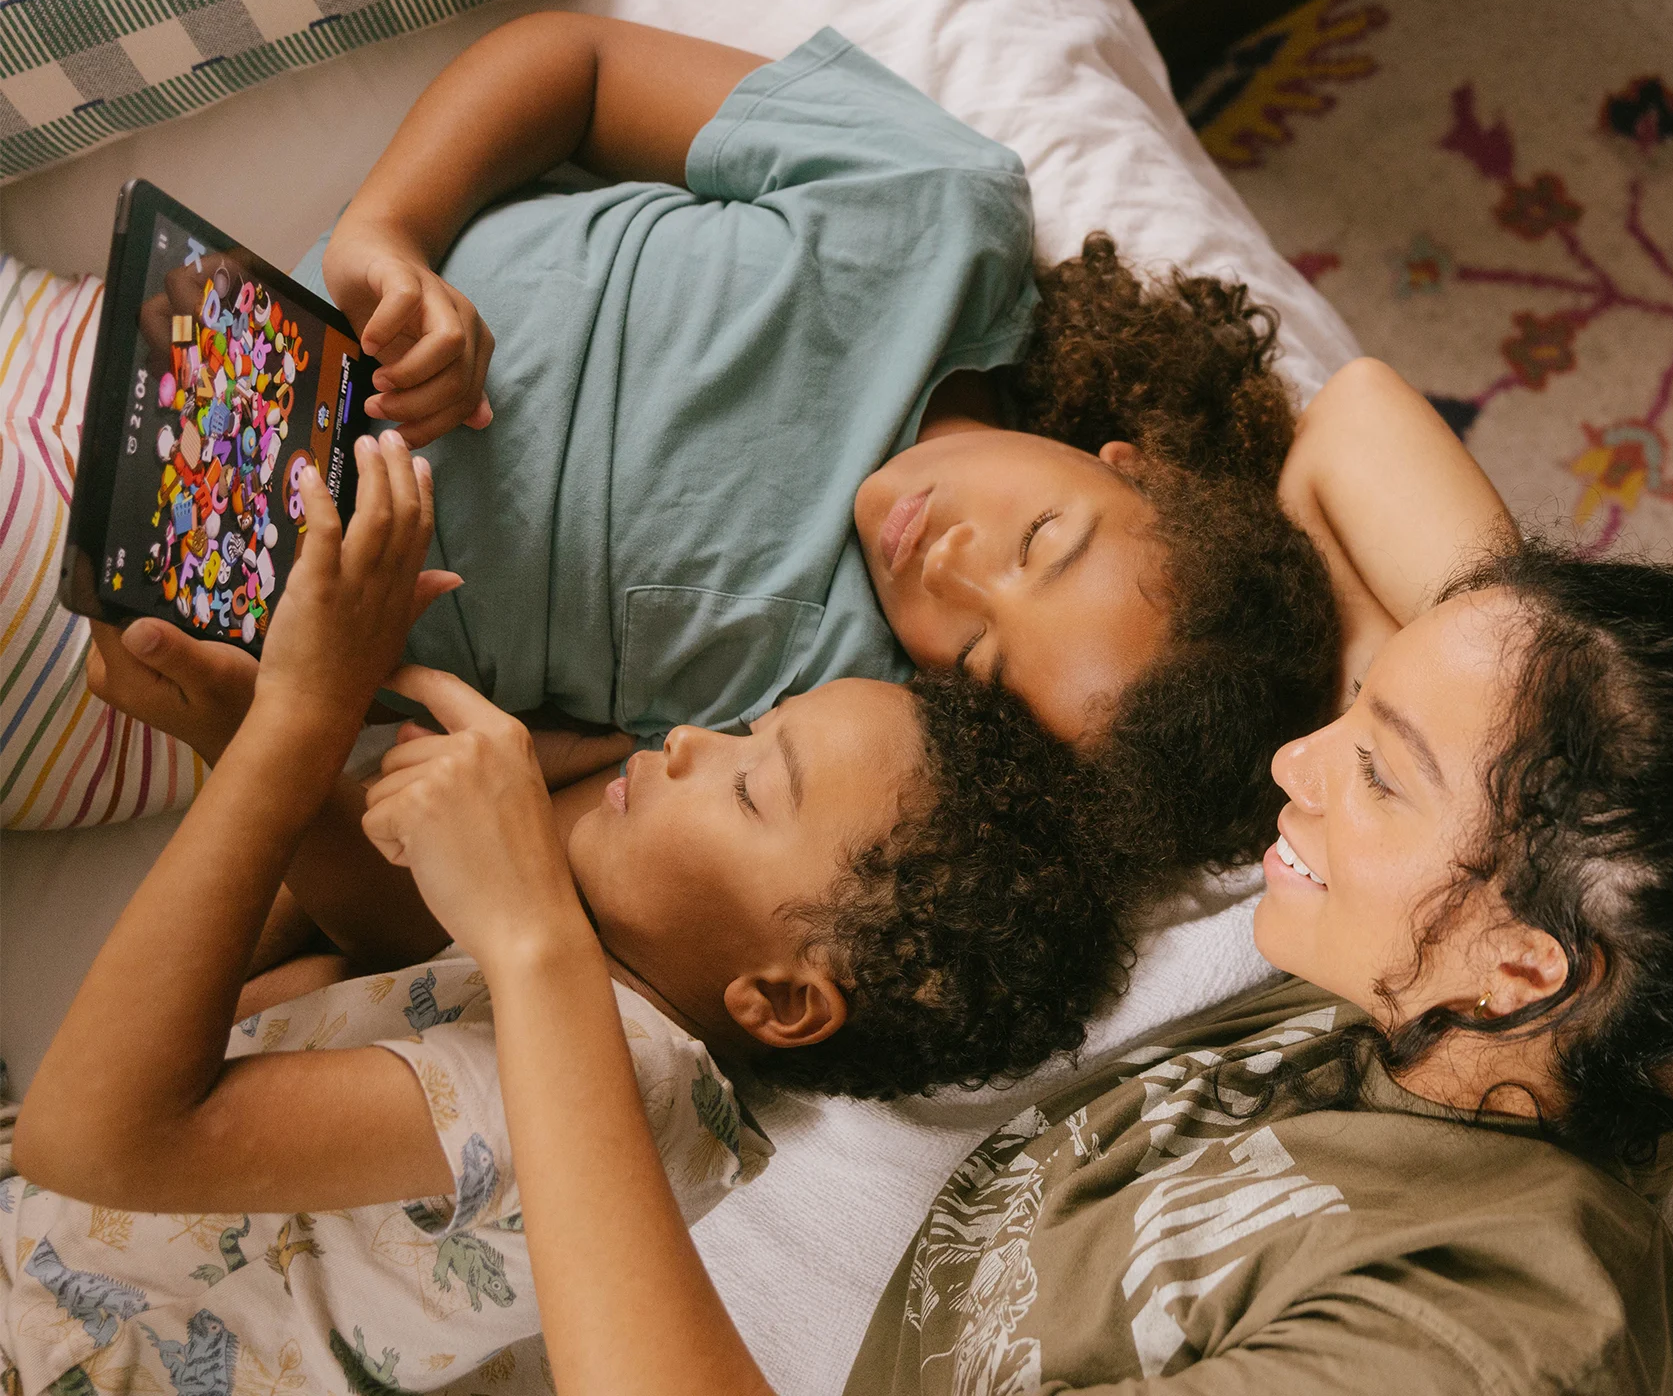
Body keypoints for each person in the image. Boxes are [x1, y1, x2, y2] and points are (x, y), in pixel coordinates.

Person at [316, 533, 1673, 1394]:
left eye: (1376, 769)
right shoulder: (1396, 997)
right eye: (1354, 718)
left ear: (1522, 961)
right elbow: (1370, 449)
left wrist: (540, 947)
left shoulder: (1494, 1327)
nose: (1294, 772)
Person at [272, 12, 1508, 886]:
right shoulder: (932, 211)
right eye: (1043, 540)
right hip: (259, 327)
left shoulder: (828, 704)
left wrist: (321, 713)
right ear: (1129, 462)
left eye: (973, 658)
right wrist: (390, 232)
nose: (952, 570)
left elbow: (541, 795)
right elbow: (575, 65)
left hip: (242, 607)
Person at [7, 436, 1129, 1396]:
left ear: (783, 994)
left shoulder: (628, 1086)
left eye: (749, 785)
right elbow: (399, 950)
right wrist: (248, 727)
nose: (689, 742)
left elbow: (96, 1140)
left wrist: (292, 735)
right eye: (750, 726)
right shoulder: (629, 1017)